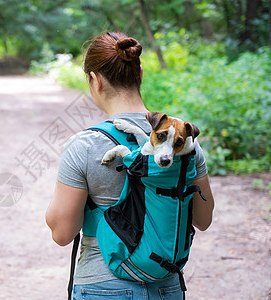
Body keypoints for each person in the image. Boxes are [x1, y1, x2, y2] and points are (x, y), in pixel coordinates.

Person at [45, 32, 215, 299]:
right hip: (165, 282)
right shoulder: (183, 144)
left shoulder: (83, 145)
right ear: (141, 74)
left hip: (101, 286)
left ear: (95, 80)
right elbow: (203, 220)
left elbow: (62, 233)